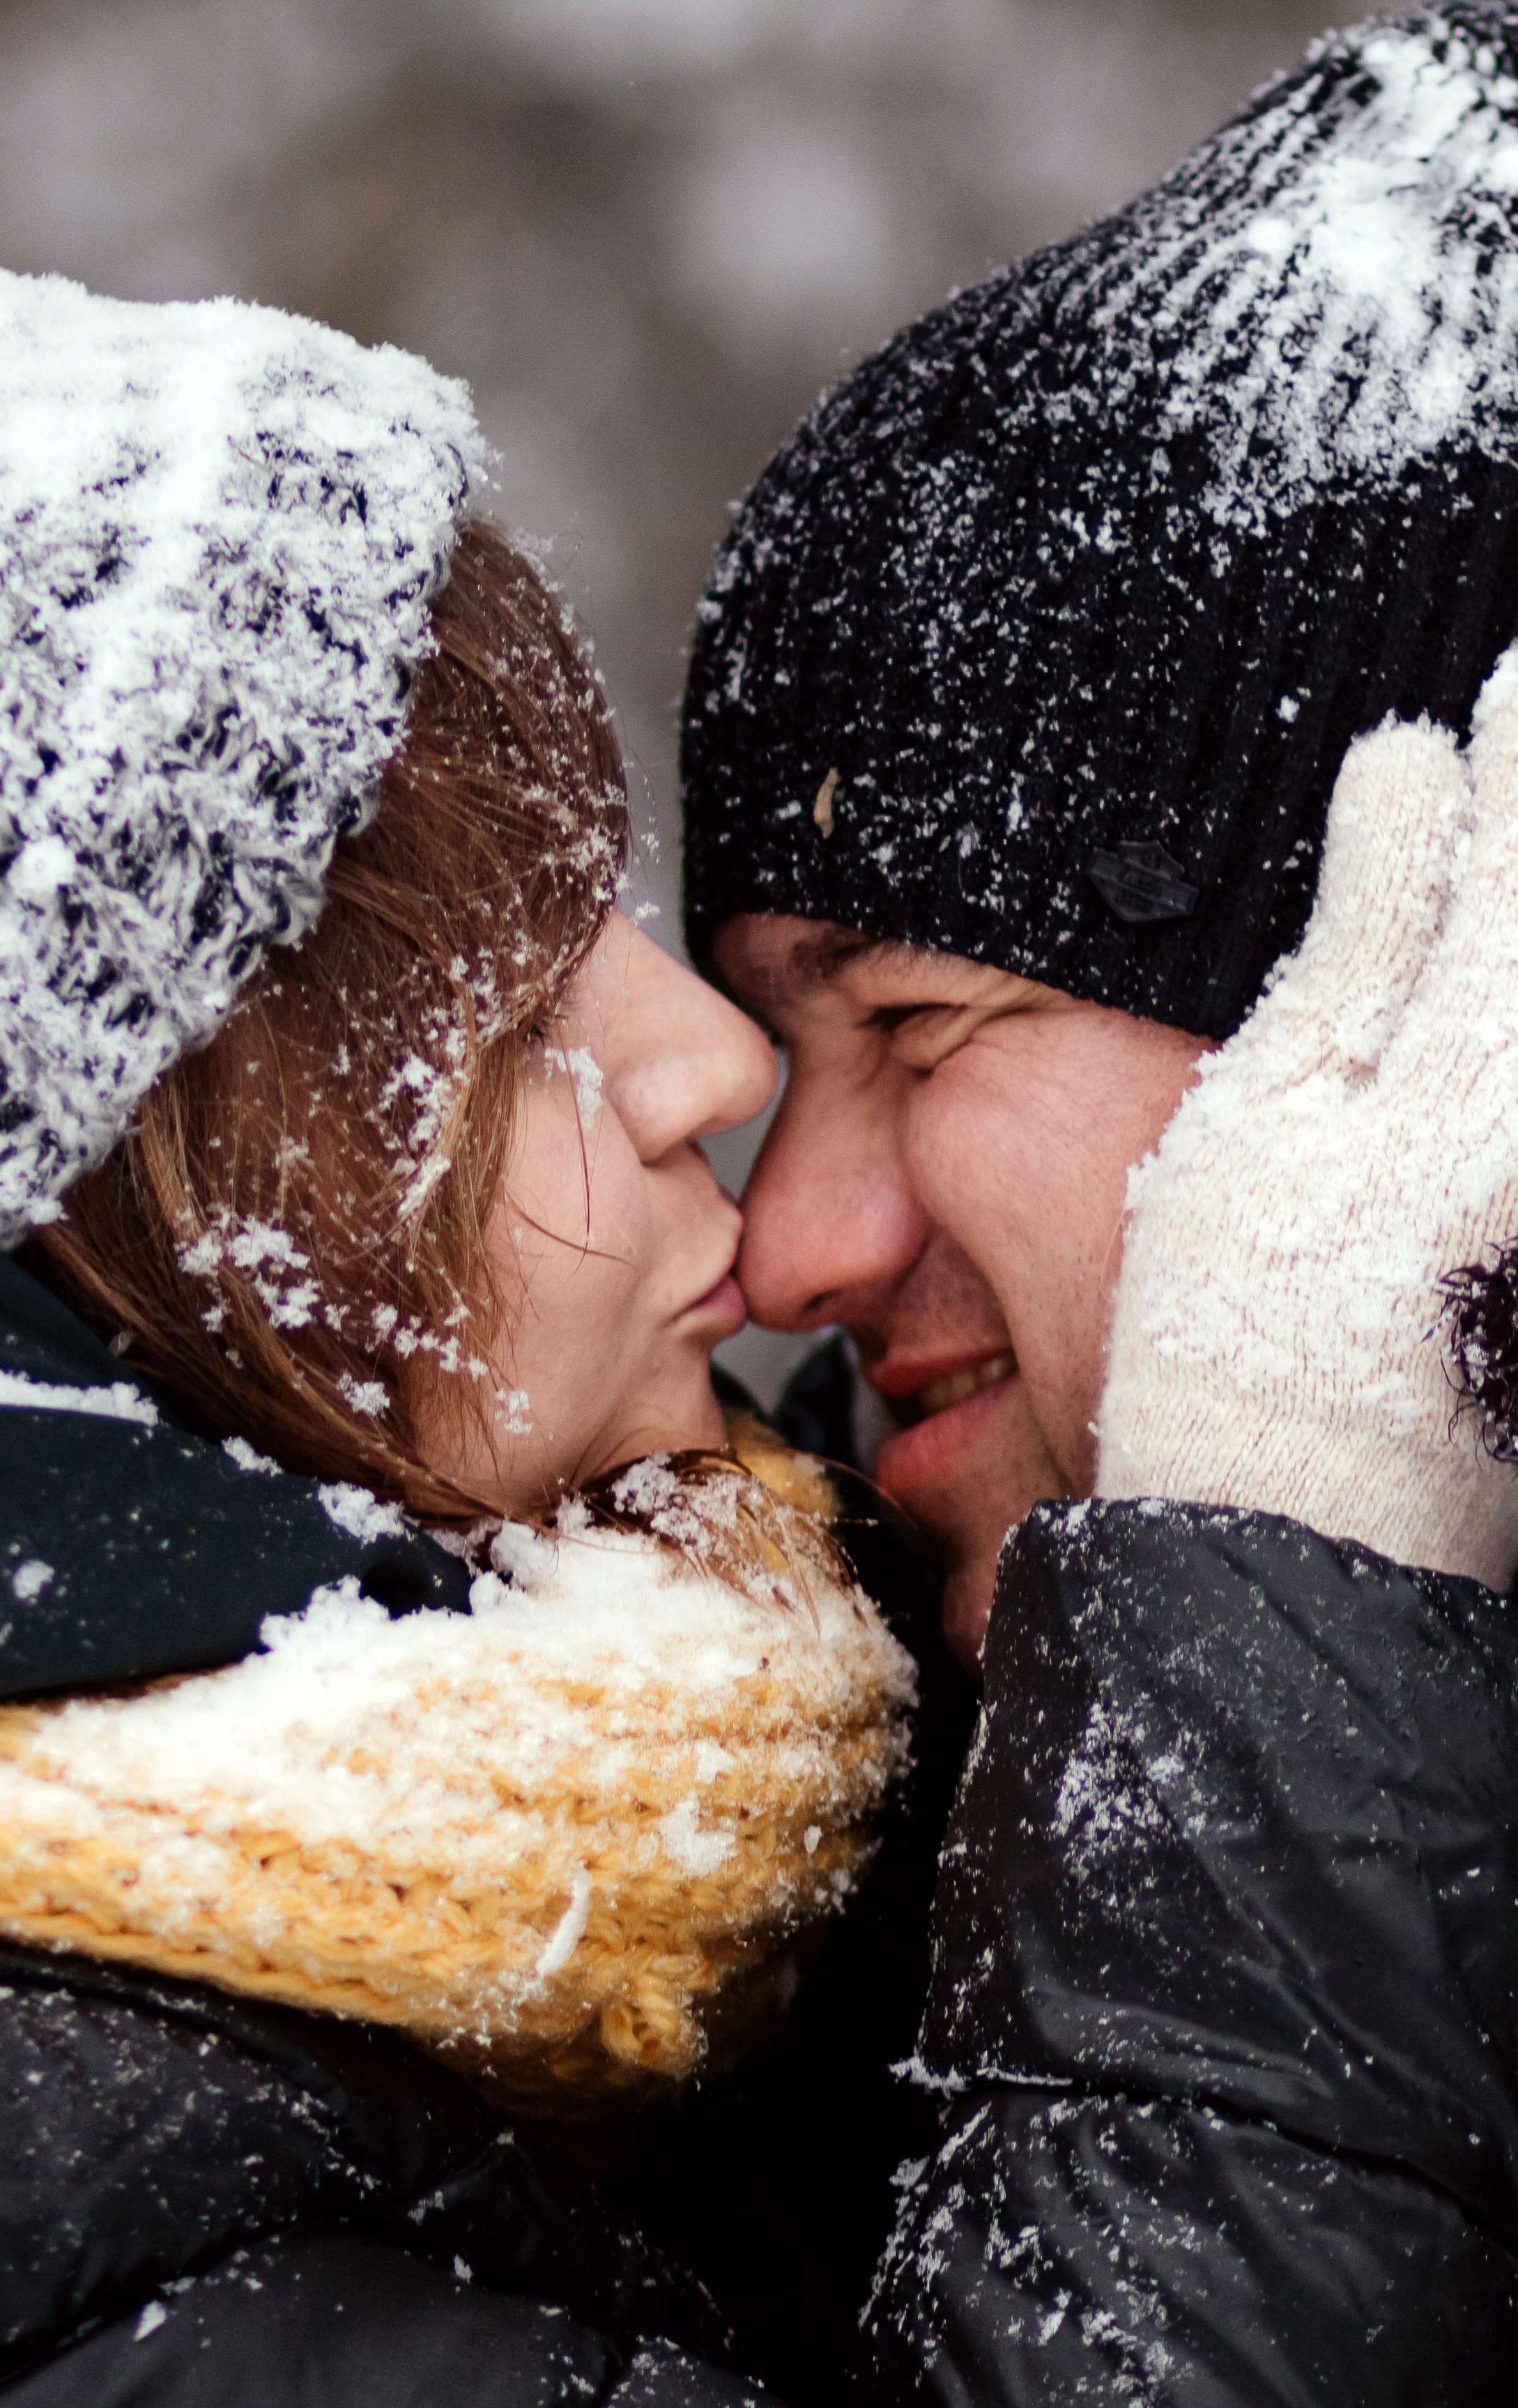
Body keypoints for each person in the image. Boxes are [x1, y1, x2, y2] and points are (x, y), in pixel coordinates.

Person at [0, 263, 917, 2406]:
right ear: (91, 1252)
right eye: (501, 1013)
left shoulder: (480, 1923)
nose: (711, 1061)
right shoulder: (32, 2243)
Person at [675, 6, 1518, 2397]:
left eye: (921, 1026)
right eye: (768, 1056)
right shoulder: (778, 1954)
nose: (791, 1247)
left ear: (1441, 962)